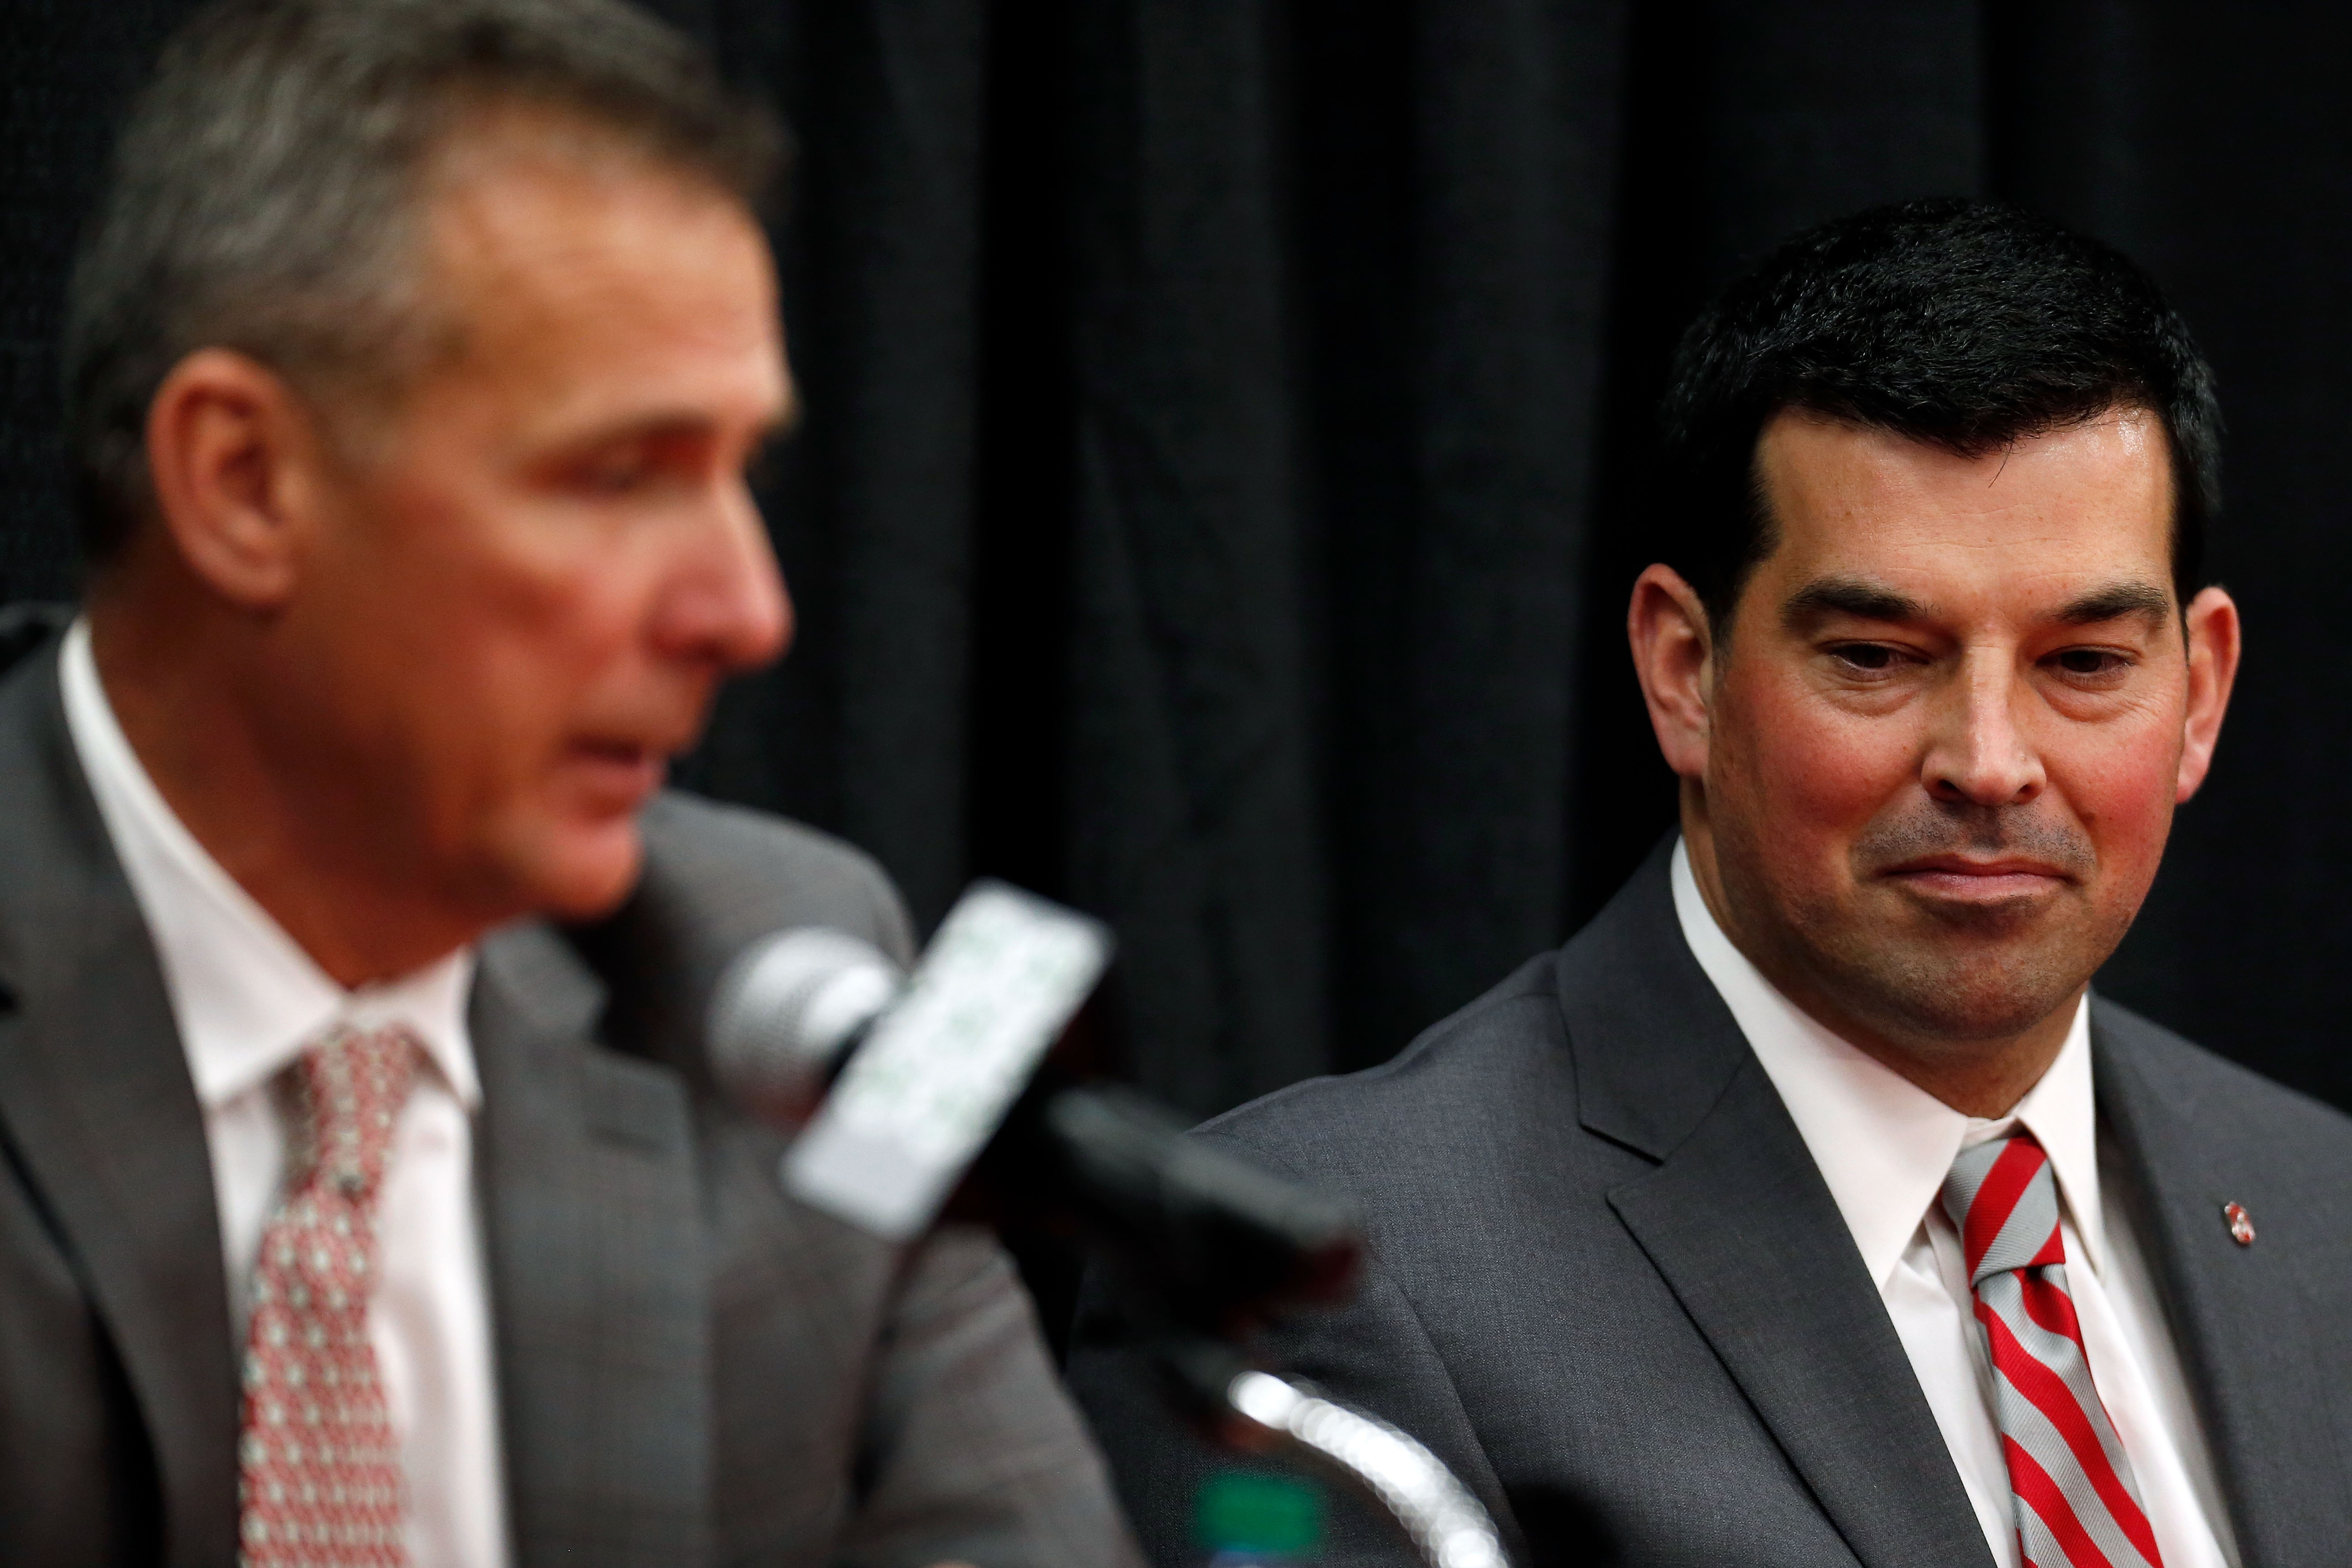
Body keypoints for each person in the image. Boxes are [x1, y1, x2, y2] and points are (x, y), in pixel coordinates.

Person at [0, 2, 1140, 1564]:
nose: (749, 613)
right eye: (621, 476)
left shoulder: (791, 959)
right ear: (246, 482)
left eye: (744, 471)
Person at [1068, 200, 2352, 1567]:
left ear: (2201, 694)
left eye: (2085, 665)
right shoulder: (1329, 1277)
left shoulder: (2324, 1202)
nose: (1991, 763)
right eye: (1875, 654)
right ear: (1685, 671)